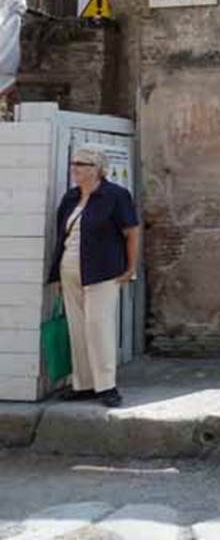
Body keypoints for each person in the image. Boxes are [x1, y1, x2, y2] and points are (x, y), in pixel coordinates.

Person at [48, 147, 140, 408]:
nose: (74, 168)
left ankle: (107, 386)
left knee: (98, 326)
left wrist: (130, 267)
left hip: (103, 271)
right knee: (77, 329)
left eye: (81, 163)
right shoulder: (70, 197)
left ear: (97, 168)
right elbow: (62, 236)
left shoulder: (116, 196)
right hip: (70, 270)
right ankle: (84, 385)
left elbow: (132, 233)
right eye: (73, 163)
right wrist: (56, 273)